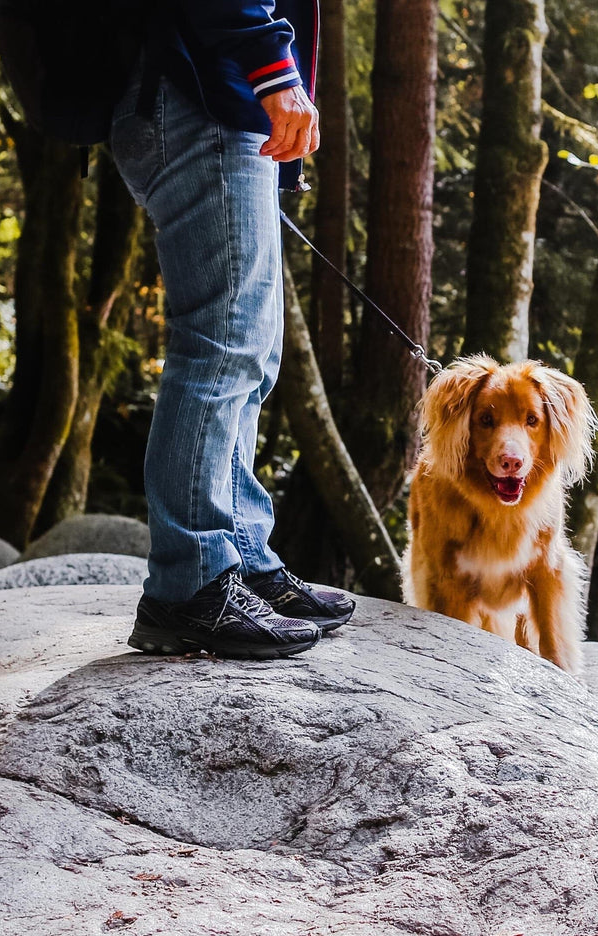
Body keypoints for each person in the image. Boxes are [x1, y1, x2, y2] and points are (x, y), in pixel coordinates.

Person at [111, 0, 355, 660]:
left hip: (205, 96)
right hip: (200, 96)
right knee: (222, 347)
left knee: (249, 353)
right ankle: (188, 584)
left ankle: (240, 559)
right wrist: (275, 71)